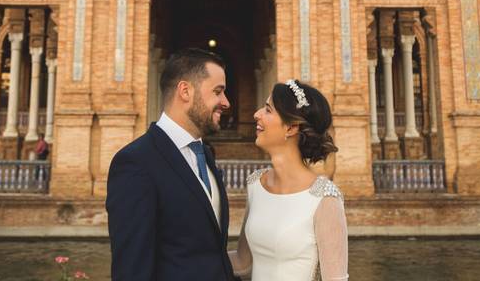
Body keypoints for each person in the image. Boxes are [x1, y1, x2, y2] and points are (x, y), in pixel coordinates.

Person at [106, 48, 234, 281]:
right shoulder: (136, 163)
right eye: (218, 91)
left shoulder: (205, 154)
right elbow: (132, 269)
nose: (226, 102)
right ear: (185, 91)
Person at [229, 79, 348, 281]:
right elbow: (243, 262)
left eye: (267, 110)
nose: (256, 114)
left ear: (291, 127)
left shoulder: (324, 199)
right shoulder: (256, 184)